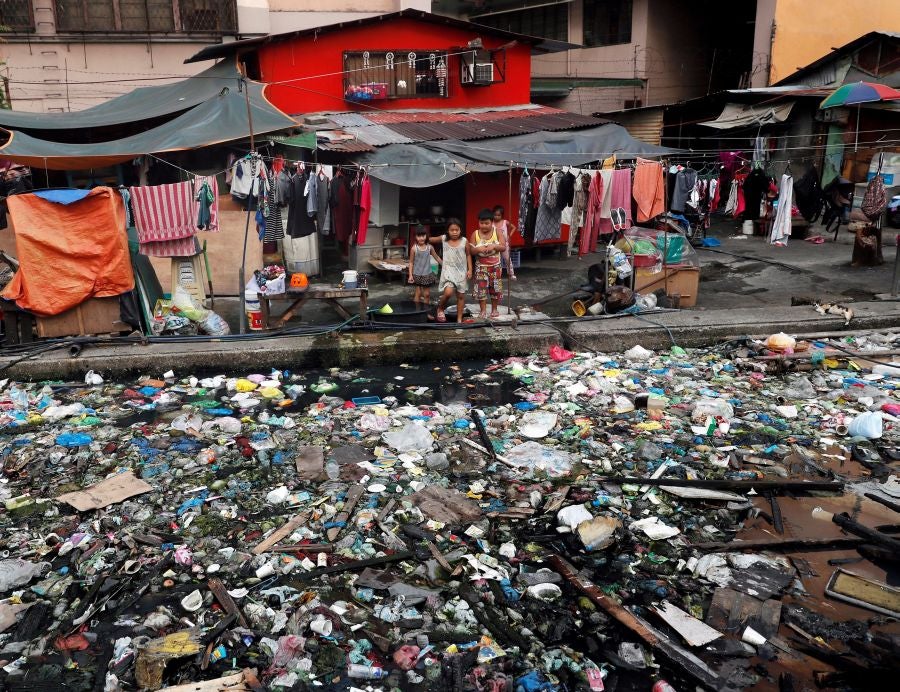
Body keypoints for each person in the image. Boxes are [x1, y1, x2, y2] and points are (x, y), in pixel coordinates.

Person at [429, 218, 471, 323]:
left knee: (460, 296)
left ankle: (459, 319)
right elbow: (430, 240)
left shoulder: (464, 241)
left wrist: (470, 269)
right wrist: (421, 238)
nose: (455, 232)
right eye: (452, 230)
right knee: (448, 293)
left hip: (461, 272)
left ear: (460, 230)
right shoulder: (444, 239)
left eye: (457, 230)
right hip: (448, 271)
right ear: (447, 230)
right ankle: (440, 308)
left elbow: (468, 255)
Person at [470, 208, 507, 319]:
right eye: (482, 223)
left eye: (487, 223)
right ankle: (483, 310)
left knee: (495, 289)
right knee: (481, 290)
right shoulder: (475, 234)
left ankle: (494, 309)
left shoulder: (498, 232)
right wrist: (479, 249)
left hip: (495, 267)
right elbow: (471, 250)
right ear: (478, 222)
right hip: (481, 268)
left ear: (492, 222)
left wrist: (494, 246)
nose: (484, 226)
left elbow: (503, 247)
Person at [408, 226, 441, 308]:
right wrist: (410, 275)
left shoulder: (430, 247)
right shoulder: (414, 249)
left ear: (426, 236)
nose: (421, 238)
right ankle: (417, 311)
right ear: (415, 237)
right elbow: (411, 262)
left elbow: (437, 257)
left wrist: (444, 265)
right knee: (418, 294)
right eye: (419, 236)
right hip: (417, 275)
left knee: (427, 294)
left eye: (423, 236)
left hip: (427, 274)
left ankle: (426, 312)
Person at [492, 205, 517, 280]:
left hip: (505, 244)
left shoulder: (505, 222)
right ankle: (497, 274)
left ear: (502, 215)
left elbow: (514, 227)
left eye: (498, 215)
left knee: (507, 259)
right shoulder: (491, 223)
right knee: (496, 260)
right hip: (495, 244)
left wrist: (509, 236)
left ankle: (511, 274)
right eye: (495, 215)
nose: (496, 217)